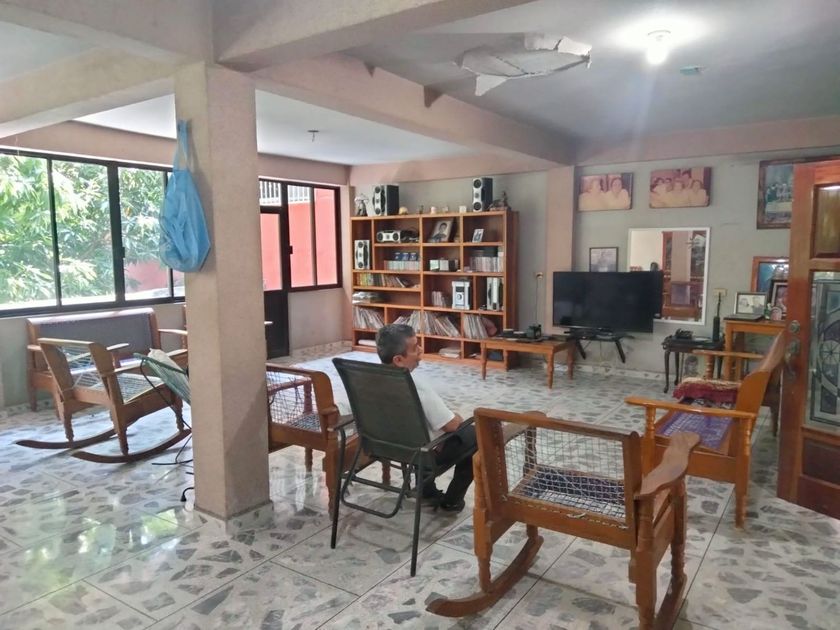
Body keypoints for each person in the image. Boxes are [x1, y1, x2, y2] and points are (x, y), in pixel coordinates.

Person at [376, 323, 476, 512]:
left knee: (418, 431)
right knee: (477, 435)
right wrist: (457, 416)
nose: (421, 350)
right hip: (420, 453)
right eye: (415, 348)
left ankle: (427, 491)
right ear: (398, 359)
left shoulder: (366, 379)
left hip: (383, 448)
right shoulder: (415, 387)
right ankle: (452, 500)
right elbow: (451, 425)